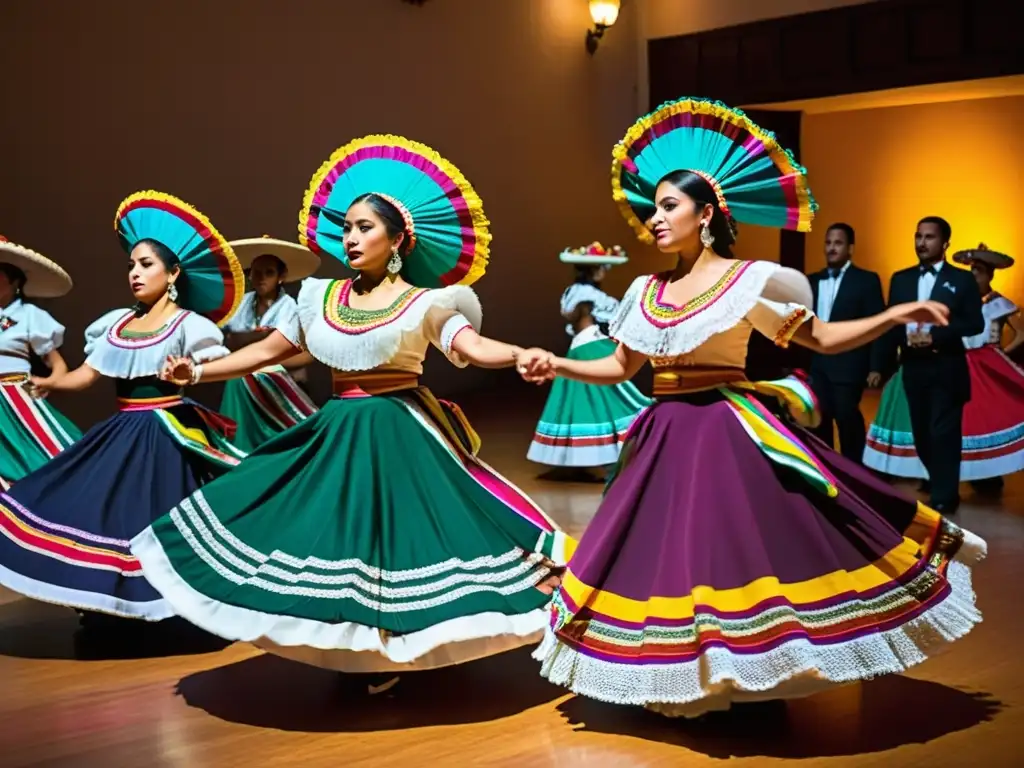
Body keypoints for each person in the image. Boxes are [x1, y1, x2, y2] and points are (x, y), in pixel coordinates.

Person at [518, 97, 984, 718]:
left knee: (728, 553)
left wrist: (894, 315)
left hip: (724, 433)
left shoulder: (746, 281)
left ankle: (748, 671)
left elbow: (818, 338)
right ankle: (681, 675)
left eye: (668, 207)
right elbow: (620, 366)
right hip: (663, 436)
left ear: (705, 214)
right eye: (652, 208)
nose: (654, 219)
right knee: (665, 555)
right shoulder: (645, 289)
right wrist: (560, 362)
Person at [130, 135, 571, 695]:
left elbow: (473, 347)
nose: (352, 238)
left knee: (401, 545)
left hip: (400, 432)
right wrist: (197, 372)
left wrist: (522, 355)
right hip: (338, 429)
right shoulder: (319, 297)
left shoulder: (426, 301)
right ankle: (355, 649)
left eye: (365, 227)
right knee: (333, 539)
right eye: (347, 228)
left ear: (398, 239)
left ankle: (394, 651)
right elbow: (267, 352)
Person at [0, 191, 245, 622]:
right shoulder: (115, 324)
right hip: (123, 432)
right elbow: (87, 375)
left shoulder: (189, 325)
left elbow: (220, 366)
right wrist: (49, 381)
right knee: (105, 512)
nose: (134, 272)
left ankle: (178, 608)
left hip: (169, 433)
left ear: (173, 273)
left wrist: (191, 371)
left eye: (146, 264)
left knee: (160, 517)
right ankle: (109, 606)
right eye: (131, 264)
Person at [865, 243, 1024, 492]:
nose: (974, 275)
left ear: (990, 274)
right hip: (947, 359)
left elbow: (1021, 333)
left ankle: (984, 476)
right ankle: (932, 474)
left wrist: (1001, 354)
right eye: (971, 270)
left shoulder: (998, 303)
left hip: (982, 366)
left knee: (979, 422)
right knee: (930, 420)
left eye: (979, 271)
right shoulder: (956, 297)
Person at [873, 218, 985, 513]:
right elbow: (891, 324)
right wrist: (879, 366)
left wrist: (934, 334)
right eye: (918, 236)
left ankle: (945, 495)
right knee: (922, 435)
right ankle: (941, 483)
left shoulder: (962, 280)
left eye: (930, 237)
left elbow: (975, 323)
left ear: (945, 243)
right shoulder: (901, 279)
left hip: (947, 367)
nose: (922, 242)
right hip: (914, 368)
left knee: (942, 433)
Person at [527, 243, 651, 478]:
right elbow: (599, 316)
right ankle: (604, 462)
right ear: (593, 270)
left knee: (590, 401)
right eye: (600, 268)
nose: (603, 272)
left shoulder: (575, 292)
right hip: (589, 346)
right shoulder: (586, 294)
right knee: (603, 399)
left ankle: (597, 460)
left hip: (585, 343)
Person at [220, 236, 320, 452]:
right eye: (256, 272)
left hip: (282, 381)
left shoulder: (292, 308)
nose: (261, 278)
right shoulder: (240, 304)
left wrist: (255, 350)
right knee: (237, 380)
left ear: (281, 277)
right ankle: (237, 450)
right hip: (244, 376)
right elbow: (225, 339)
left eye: (269, 273)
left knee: (244, 377)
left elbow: (304, 354)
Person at [0, 236, 81, 490]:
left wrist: (48, 382)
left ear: (14, 281)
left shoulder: (29, 316)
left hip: (15, 395)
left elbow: (57, 365)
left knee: (43, 453)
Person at [807, 223, 885, 462]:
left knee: (847, 417)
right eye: (828, 243)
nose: (831, 248)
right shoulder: (811, 281)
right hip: (817, 365)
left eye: (838, 243)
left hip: (849, 364)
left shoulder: (866, 281)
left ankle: (856, 471)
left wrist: (876, 366)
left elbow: (876, 326)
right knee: (818, 420)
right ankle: (827, 470)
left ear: (850, 248)